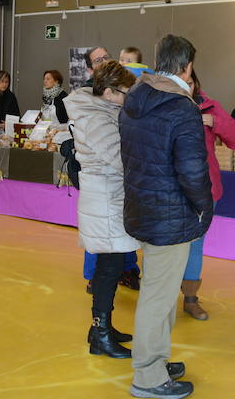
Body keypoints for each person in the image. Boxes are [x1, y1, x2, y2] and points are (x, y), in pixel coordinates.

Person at [120, 34, 212, 399]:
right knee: (157, 298)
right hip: (171, 215)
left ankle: (156, 360)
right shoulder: (181, 108)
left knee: (158, 291)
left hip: (143, 209)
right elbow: (193, 170)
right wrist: (203, 206)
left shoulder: (135, 99)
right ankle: (148, 376)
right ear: (187, 67)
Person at [64, 60, 140, 359]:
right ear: (108, 92)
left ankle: (102, 328)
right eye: (124, 93)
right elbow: (120, 159)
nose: (127, 98)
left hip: (110, 197)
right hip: (106, 199)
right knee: (108, 270)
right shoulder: (97, 119)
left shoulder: (106, 112)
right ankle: (101, 334)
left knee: (114, 264)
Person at [180, 70, 235, 320]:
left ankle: (190, 298)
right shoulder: (162, 106)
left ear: (197, 83)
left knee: (195, 245)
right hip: (172, 190)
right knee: (167, 245)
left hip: (205, 190)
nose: (185, 87)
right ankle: (161, 298)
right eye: (180, 82)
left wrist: (214, 122)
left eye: (189, 82)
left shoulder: (208, 106)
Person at [79, 46, 142, 293]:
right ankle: (100, 325)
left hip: (115, 193)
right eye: (98, 60)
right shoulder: (95, 111)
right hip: (104, 193)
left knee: (117, 248)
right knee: (104, 259)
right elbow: (116, 156)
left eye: (107, 56)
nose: (105, 61)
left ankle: (125, 274)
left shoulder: (112, 104)